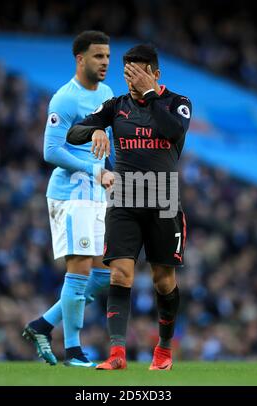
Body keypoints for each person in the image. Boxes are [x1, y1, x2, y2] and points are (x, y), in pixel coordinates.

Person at [66, 44, 192, 370]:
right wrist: (95, 129)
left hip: (164, 201)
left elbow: (173, 132)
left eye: (137, 74)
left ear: (155, 74)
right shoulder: (116, 105)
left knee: (163, 280)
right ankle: (117, 353)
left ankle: (163, 350)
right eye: (127, 74)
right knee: (121, 274)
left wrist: (150, 95)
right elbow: (73, 132)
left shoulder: (178, 104)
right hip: (125, 199)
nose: (131, 80)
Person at [23, 31, 115, 368]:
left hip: (96, 195)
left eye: (107, 56)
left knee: (105, 274)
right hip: (70, 196)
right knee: (78, 271)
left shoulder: (107, 93)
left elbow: (106, 143)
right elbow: (50, 150)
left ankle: (42, 325)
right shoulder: (64, 99)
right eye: (97, 56)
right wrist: (94, 170)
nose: (105, 62)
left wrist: (111, 172)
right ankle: (73, 351)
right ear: (80, 59)